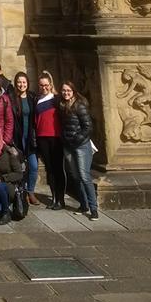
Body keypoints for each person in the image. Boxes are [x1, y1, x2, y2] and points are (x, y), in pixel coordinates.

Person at [59, 81, 98, 219]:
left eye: (68, 90)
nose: (66, 93)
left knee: (84, 176)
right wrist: (65, 138)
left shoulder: (79, 106)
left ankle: (93, 209)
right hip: (68, 145)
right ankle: (83, 204)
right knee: (75, 176)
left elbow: (88, 127)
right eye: (63, 90)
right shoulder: (63, 105)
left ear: (73, 91)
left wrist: (77, 138)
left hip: (81, 145)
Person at [35, 71, 65, 210]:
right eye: (41, 85)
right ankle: (54, 197)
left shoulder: (57, 99)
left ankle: (61, 199)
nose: (44, 87)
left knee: (58, 168)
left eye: (46, 85)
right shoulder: (36, 99)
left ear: (50, 85)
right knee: (49, 169)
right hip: (42, 137)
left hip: (56, 137)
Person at [11, 72, 39, 206]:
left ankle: (31, 191)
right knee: (20, 167)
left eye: (24, 82)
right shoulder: (12, 98)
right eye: (19, 82)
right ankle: (22, 193)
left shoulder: (32, 97)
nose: (22, 85)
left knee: (33, 166)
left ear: (27, 83)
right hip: (18, 137)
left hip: (30, 138)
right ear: (16, 83)